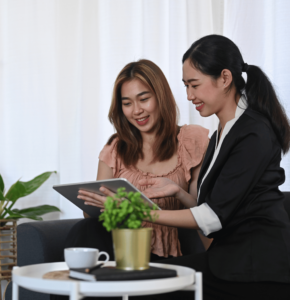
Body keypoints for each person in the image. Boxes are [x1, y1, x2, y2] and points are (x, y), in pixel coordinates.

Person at [99, 35, 290, 299]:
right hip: (229, 262)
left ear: (224, 78)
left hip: (255, 267)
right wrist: (176, 192)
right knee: (137, 280)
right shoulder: (223, 132)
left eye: (194, 85)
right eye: (186, 86)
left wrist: (144, 213)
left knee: (144, 285)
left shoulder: (253, 133)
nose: (189, 95)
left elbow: (212, 217)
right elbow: (213, 207)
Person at [65, 59, 210, 262]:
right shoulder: (115, 148)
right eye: (127, 103)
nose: (136, 111)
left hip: (175, 249)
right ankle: (77, 290)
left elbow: (203, 211)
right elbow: (91, 217)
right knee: (87, 228)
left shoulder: (190, 140)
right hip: (123, 246)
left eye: (143, 99)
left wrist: (178, 192)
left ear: (160, 97)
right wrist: (103, 205)